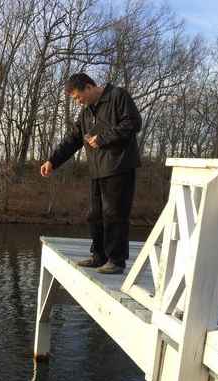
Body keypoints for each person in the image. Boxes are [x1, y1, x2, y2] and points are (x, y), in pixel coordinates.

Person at [40, 73, 142, 275]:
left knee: (114, 214)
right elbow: (73, 139)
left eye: (79, 97)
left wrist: (103, 139)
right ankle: (99, 256)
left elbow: (133, 123)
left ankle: (116, 260)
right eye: (76, 100)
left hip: (119, 166)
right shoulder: (86, 113)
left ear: (89, 87)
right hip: (97, 170)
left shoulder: (118, 96)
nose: (78, 102)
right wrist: (53, 161)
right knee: (95, 215)